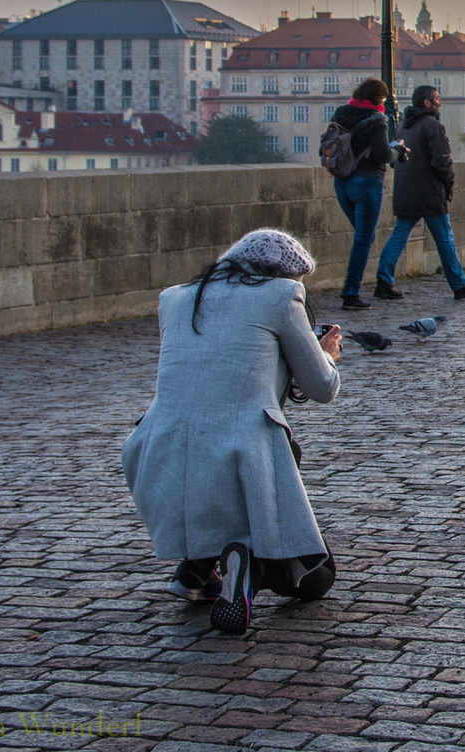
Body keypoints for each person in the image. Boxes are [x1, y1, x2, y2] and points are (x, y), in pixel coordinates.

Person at [122, 229, 343, 636]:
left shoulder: (174, 298)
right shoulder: (280, 296)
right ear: (282, 275)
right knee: (316, 578)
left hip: (161, 452)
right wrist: (326, 355)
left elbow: (217, 368)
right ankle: (248, 568)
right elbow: (321, 388)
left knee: (217, 443)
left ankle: (196, 573)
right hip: (241, 451)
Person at [374, 85, 465, 300]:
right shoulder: (432, 126)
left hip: (406, 190)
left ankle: (384, 280)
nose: (440, 102)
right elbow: (442, 161)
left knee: (399, 235)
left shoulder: (403, 126)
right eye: (437, 98)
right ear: (427, 103)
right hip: (429, 191)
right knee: (444, 238)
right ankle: (459, 283)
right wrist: (449, 184)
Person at [328, 78, 392, 310]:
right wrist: (398, 151)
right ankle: (351, 292)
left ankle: (352, 289)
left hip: (341, 181)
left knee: (362, 237)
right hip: (367, 181)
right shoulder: (377, 120)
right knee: (364, 238)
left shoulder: (341, 113)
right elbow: (383, 154)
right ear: (379, 98)